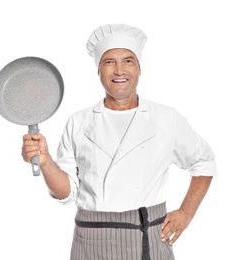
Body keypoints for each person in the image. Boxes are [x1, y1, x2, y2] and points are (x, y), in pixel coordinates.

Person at [22, 24, 217, 260]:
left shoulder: (166, 118)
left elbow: (204, 162)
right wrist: (45, 162)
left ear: (140, 69)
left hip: (147, 240)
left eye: (128, 61)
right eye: (109, 62)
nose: (119, 70)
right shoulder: (78, 122)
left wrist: (186, 213)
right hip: (89, 243)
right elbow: (66, 193)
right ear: (98, 70)